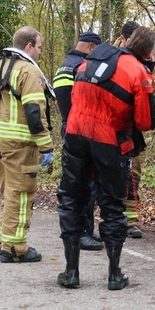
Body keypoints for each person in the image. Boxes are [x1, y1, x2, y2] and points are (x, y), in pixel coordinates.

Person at [56, 26, 155, 290]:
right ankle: (114, 275)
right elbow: (146, 122)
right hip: (109, 140)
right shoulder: (139, 71)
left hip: (75, 134)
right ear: (148, 52)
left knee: (71, 199)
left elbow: (75, 96)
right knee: (112, 205)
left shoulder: (91, 60)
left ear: (128, 41)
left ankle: (71, 272)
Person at [0, 26, 54, 263]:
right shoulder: (29, 71)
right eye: (39, 47)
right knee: (21, 194)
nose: (40, 52)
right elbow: (34, 113)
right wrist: (46, 146)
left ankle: (8, 240)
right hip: (20, 144)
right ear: (29, 46)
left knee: (9, 192)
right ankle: (14, 248)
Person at [52, 31, 103, 252]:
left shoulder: (64, 66)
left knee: (74, 183)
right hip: (83, 130)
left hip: (69, 127)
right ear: (91, 47)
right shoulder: (82, 67)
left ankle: (80, 230)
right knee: (86, 184)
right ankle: (83, 232)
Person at [115, 20, 155, 239]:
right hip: (114, 127)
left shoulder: (147, 62)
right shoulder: (112, 58)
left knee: (133, 175)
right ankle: (110, 217)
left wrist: (148, 113)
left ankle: (131, 221)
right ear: (123, 39)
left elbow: (154, 90)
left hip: (135, 129)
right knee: (109, 174)